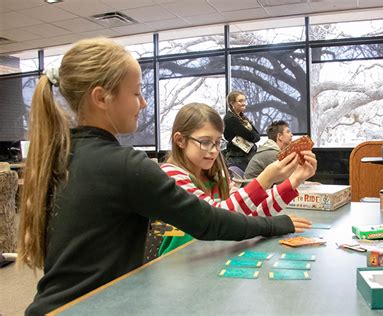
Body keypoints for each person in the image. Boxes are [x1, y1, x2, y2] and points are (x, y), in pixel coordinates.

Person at [16, 38, 312, 315]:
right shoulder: (123, 165)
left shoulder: (57, 156)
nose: (143, 103)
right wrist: (276, 224)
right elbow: (209, 221)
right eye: (136, 93)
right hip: (88, 307)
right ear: (101, 98)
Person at [158, 103, 317, 256]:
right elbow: (219, 219)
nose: (214, 151)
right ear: (180, 140)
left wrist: (295, 179)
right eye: (205, 142)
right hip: (178, 263)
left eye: (218, 142)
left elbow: (248, 214)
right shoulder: (171, 175)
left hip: (214, 254)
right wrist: (265, 179)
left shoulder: (217, 175)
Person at [223, 91, 260, 171]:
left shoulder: (243, 117)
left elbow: (257, 136)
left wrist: (253, 136)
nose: (244, 103)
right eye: (240, 101)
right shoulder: (230, 119)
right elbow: (251, 136)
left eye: (244, 101)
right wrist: (253, 136)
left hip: (246, 156)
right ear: (232, 103)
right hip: (238, 158)